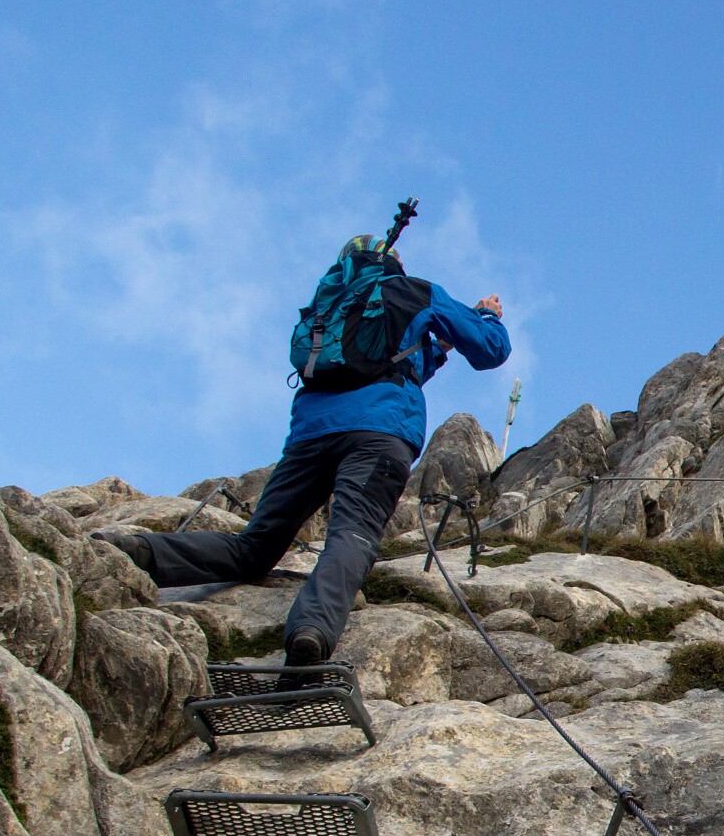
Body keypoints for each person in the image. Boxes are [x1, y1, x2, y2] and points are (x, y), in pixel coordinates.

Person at [96, 235, 510, 666]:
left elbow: (380, 362)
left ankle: (141, 552)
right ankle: (310, 635)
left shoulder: (327, 302)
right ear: (394, 262)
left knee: (254, 547)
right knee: (352, 533)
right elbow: (490, 351)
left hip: (311, 436)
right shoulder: (412, 291)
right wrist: (486, 315)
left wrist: (434, 352)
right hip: (379, 434)